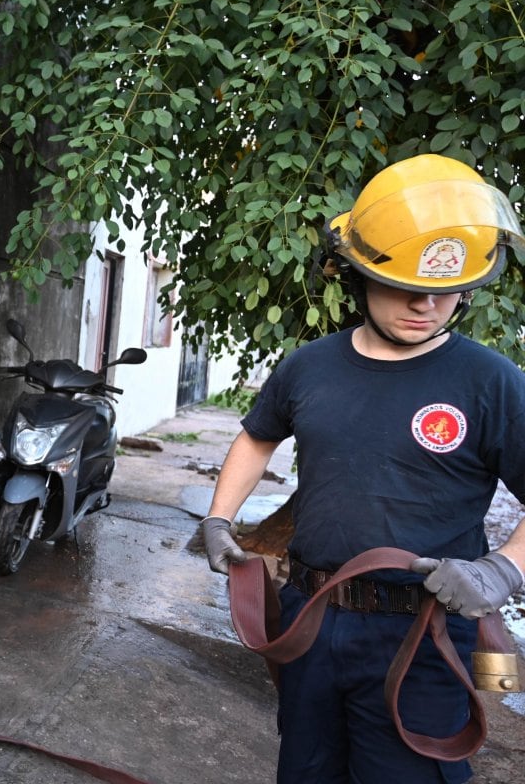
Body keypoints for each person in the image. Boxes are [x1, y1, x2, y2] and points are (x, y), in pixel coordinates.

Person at [201, 154, 525, 783]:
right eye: (404, 286)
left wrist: (503, 568)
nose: (424, 306)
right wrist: (220, 519)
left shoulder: (492, 382)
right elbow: (255, 438)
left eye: (442, 292)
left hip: (422, 637)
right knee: (306, 771)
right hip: (311, 619)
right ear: (358, 273)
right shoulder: (308, 367)